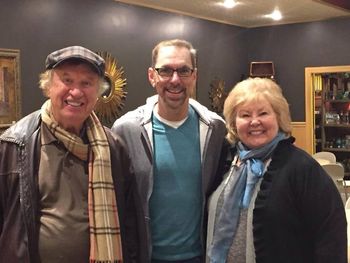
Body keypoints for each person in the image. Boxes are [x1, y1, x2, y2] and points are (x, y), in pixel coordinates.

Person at [0, 46, 147, 263]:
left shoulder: (114, 147)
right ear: (48, 86)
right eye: (67, 80)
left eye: (86, 83)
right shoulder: (13, 144)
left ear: (97, 93)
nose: (76, 92)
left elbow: (130, 222)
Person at [206, 77, 347, 263]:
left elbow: (331, 235)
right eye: (245, 115)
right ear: (234, 122)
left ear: (279, 117)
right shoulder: (224, 161)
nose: (254, 121)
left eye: (263, 113)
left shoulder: (302, 168)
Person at [111, 39, 226, 262]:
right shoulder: (126, 130)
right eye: (165, 70)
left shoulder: (215, 129)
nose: (175, 80)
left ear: (194, 76)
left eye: (183, 71)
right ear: (152, 76)